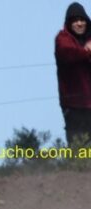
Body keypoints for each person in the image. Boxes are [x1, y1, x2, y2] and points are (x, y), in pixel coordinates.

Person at [55, 2, 91, 145]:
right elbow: (68, 53)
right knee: (77, 146)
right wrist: (87, 52)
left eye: (82, 20)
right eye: (75, 20)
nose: (79, 23)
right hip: (73, 104)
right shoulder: (63, 39)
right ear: (69, 23)